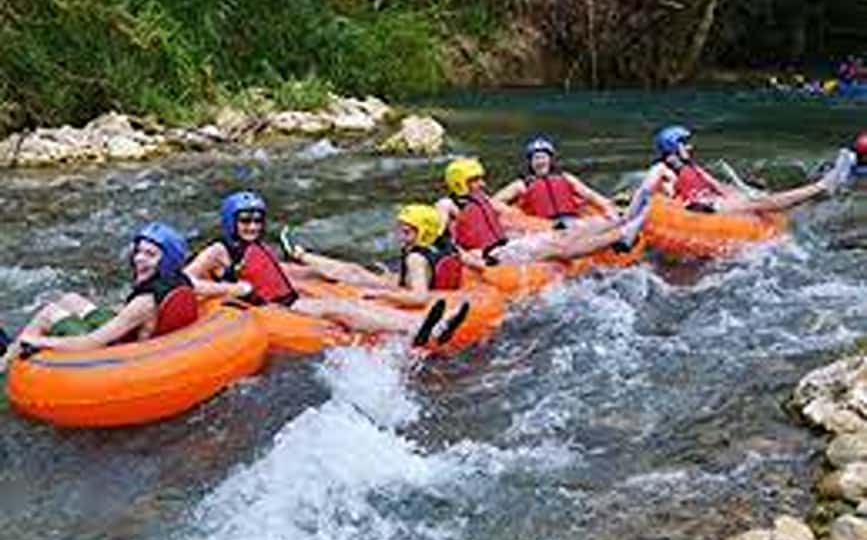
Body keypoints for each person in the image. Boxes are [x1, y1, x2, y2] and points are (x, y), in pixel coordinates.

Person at [184, 191, 469, 347]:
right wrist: (231, 288)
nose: (253, 226)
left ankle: (424, 324)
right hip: (272, 310)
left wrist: (313, 268)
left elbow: (274, 273)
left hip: (290, 300)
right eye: (245, 220)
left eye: (258, 220)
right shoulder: (218, 250)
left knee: (348, 301)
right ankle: (421, 328)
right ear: (230, 221)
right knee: (341, 310)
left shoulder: (255, 246)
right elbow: (185, 281)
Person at [1, 222, 199, 372]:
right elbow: (203, 289)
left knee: (49, 313)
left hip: (119, 353)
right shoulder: (180, 278)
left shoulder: (144, 302)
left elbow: (91, 342)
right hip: (130, 333)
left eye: (150, 254)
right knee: (71, 299)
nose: (139, 258)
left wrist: (38, 342)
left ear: (167, 260)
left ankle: (6, 366)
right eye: (138, 251)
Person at [435, 157, 645, 268]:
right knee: (559, 247)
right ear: (460, 183)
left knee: (564, 233)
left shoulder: (484, 201)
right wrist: (471, 260)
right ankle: (621, 236)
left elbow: (517, 218)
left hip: (507, 246)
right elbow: (439, 240)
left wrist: (550, 225)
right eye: (475, 180)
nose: (482, 183)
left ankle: (622, 220)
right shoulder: (446, 205)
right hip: (492, 256)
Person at [630, 125, 855, 216]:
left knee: (761, 198)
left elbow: (718, 187)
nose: (691, 147)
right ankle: (822, 185)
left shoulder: (692, 167)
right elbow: (650, 193)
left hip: (710, 202)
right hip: (698, 209)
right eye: (685, 143)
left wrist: (745, 192)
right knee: (757, 205)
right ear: (673, 147)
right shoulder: (663, 170)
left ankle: (818, 194)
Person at [282, 203, 465, 309]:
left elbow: (419, 298)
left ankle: (300, 254)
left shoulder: (415, 259)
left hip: (402, 290)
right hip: (409, 283)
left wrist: (380, 295)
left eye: (407, 232)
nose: (400, 236)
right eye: (401, 229)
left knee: (355, 272)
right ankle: (303, 258)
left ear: (424, 232)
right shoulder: (441, 240)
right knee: (358, 271)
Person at [494, 136, 620, 227]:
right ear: (531, 163)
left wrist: (609, 209)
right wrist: (517, 214)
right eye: (536, 158)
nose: (540, 162)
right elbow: (494, 202)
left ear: (550, 160)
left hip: (572, 221)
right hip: (542, 226)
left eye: (543, 157)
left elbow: (591, 195)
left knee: (595, 222)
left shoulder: (566, 178)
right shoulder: (522, 185)